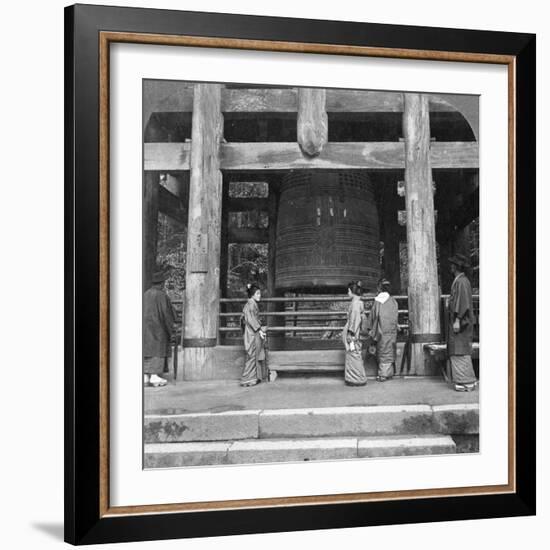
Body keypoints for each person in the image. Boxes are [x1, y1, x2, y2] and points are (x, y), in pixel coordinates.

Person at [446, 253, 478, 392]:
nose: (451, 266)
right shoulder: (460, 281)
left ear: (456, 266)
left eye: (452, 264)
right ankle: (464, 379)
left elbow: (462, 302)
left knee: (460, 349)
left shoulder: (462, 282)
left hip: (461, 321)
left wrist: (458, 319)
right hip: (458, 320)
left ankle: (467, 381)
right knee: (458, 348)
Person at [143, 270, 175, 387]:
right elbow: (166, 314)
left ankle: (145, 376)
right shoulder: (162, 295)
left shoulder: (145, 294)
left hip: (144, 329)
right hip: (158, 329)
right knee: (158, 350)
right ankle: (154, 376)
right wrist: (171, 328)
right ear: (161, 284)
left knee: (146, 350)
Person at [368, 278, 399, 381]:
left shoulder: (378, 301)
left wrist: (369, 328)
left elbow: (373, 316)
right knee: (390, 350)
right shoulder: (393, 301)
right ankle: (389, 372)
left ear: (380, 288)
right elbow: (395, 316)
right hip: (392, 330)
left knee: (382, 351)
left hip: (381, 330)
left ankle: (383, 374)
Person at [240, 283, 268, 387]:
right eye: (257, 293)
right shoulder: (251, 304)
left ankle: (251, 378)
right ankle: (247, 378)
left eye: (259, 293)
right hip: (251, 332)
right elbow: (251, 320)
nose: (259, 295)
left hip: (251, 331)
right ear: (252, 295)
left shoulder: (251, 303)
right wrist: (259, 329)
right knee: (252, 354)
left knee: (252, 354)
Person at [343, 281, 368, 386]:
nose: (347, 293)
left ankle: (357, 378)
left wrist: (351, 334)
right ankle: (355, 377)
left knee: (354, 354)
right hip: (356, 332)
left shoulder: (355, 305)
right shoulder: (358, 303)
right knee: (355, 355)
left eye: (348, 291)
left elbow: (355, 320)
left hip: (354, 333)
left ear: (352, 292)